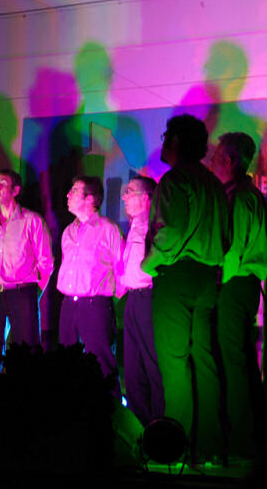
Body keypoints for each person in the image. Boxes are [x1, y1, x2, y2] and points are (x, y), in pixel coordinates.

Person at [141, 114, 228, 462]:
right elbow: (225, 237)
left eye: (166, 136)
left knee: (174, 362)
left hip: (176, 276)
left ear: (175, 140)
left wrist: (148, 264)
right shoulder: (213, 183)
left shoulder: (175, 179)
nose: (163, 142)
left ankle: (175, 449)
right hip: (207, 277)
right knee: (204, 362)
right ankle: (208, 448)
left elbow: (170, 232)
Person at [211, 132, 267, 458]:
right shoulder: (242, 194)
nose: (211, 162)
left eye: (216, 157)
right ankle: (251, 436)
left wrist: (217, 283)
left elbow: (232, 251)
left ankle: (241, 441)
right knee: (242, 360)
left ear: (230, 161)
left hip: (235, 285)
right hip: (242, 286)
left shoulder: (242, 197)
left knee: (234, 363)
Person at [0, 169, 54, 400]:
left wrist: (33, 293)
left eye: (2, 184)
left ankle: (27, 408)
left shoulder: (32, 220)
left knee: (26, 352)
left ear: (16, 190)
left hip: (22, 292)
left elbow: (46, 262)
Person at [57, 176, 123, 398]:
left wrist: (111, 302)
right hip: (69, 304)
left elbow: (121, 268)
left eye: (74, 190)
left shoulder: (108, 229)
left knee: (101, 362)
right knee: (67, 361)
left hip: (95, 305)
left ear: (90, 199)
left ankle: (111, 411)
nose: (68, 194)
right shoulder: (68, 231)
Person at [119, 175, 164, 426]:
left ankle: (158, 423)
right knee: (133, 367)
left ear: (146, 198)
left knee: (151, 362)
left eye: (129, 191)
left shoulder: (152, 226)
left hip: (148, 296)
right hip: (133, 299)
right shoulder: (134, 225)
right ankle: (139, 425)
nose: (124, 197)